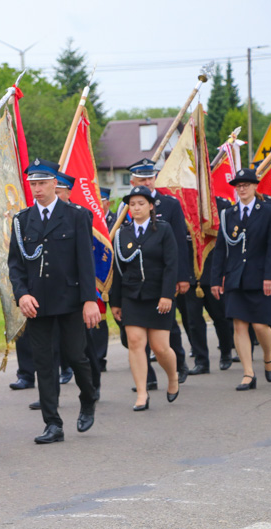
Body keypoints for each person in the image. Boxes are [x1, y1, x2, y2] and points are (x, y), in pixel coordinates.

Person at [7, 159, 100, 444]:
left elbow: (85, 262)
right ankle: (53, 423)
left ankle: (88, 396)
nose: (37, 189)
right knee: (44, 363)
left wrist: (89, 300)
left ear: (54, 184)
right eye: (33, 184)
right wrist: (22, 294)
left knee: (76, 356)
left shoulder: (76, 215)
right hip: (37, 303)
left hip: (70, 300)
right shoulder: (22, 221)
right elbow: (15, 264)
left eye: (42, 183)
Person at [109, 187, 180, 410]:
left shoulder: (164, 230)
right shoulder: (122, 233)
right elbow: (117, 268)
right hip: (132, 295)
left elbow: (171, 265)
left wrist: (167, 295)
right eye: (132, 204)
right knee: (135, 343)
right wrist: (116, 302)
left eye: (141, 203)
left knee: (160, 348)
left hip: (159, 295)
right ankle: (142, 393)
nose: (136, 208)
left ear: (151, 206)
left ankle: (173, 377)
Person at [123, 159, 190, 390]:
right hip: (135, 287)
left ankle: (178, 365)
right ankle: (148, 378)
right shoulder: (126, 209)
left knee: (167, 332)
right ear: (132, 182)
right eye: (142, 179)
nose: (147, 182)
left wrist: (183, 276)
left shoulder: (169, 204)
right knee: (133, 339)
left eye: (150, 178)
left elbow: (179, 244)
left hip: (163, 280)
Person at [211, 168, 271, 390]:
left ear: (254, 187)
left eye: (246, 185)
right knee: (239, 326)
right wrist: (215, 279)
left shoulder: (268, 211)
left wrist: (270, 276)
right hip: (234, 278)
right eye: (238, 186)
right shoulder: (227, 214)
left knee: (260, 326)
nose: (242, 189)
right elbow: (220, 249)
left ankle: (268, 357)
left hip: (260, 277)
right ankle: (248, 373)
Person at [183, 195, 236, 372]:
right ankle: (201, 361)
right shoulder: (182, 204)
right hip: (191, 273)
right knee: (194, 321)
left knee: (220, 316)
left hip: (212, 272)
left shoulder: (220, 205)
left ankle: (227, 352)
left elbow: (225, 244)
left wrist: (221, 273)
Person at [93, 186, 114, 372]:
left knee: (124, 322)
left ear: (108, 202)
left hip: (116, 278)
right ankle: (99, 358)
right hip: (97, 277)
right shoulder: (89, 220)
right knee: (98, 319)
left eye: (103, 199)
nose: (100, 203)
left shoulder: (119, 219)